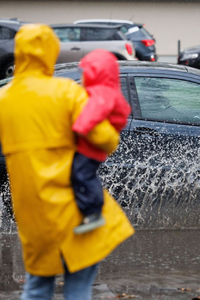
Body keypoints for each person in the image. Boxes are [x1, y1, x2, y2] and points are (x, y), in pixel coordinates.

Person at [0, 24, 134, 300]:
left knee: (37, 287)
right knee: (78, 287)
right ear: (51, 51)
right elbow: (105, 139)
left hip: (32, 210)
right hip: (72, 207)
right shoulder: (65, 92)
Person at [71, 49, 131, 234]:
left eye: (85, 72)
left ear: (95, 72)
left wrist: (80, 127)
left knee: (82, 175)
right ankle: (89, 212)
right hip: (93, 146)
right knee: (82, 174)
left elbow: (94, 112)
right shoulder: (107, 90)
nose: (82, 77)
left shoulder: (101, 92)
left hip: (90, 147)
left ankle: (94, 212)